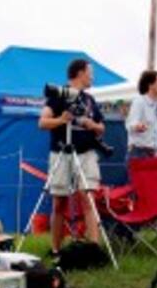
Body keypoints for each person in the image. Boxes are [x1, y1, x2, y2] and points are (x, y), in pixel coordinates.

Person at [38, 58, 106, 256]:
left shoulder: (90, 100)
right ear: (80, 73)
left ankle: (93, 251)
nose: (92, 76)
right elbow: (42, 122)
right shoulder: (59, 95)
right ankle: (56, 249)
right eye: (90, 72)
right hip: (61, 152)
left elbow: (102, 127)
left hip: (86, 154)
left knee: (88, 199)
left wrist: (91, 125)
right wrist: (61, 119)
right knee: (59, 202)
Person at [126, 69, 157, 160]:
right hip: (139, 153)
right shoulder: (139, 101)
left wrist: (156, 153)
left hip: (150, 154)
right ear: (150, 85)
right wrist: (137, 126)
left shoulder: (153, 105)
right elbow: (130, 125)